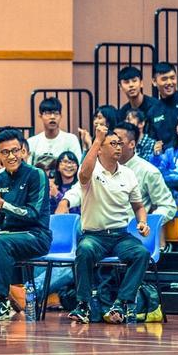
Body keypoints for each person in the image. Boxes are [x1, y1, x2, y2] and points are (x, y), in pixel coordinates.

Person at [67, 125, 150, 325]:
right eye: (113, 144)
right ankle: (83, 305)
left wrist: (142, 222)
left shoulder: (128, 174)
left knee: (142, 254)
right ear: (100, 149)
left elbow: (139, 206)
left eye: (120, 143)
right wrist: (97, 140)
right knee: (84, 250)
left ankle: (121, 303)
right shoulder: (91, 170)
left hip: (120, 235)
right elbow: (83, 175)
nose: (118, 147)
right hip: (94, 235)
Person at [0, 128, 52, 321]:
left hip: (36, 235)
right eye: (5, 152)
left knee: (2, 242)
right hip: (7, 235)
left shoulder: (36, 175)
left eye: (15, 150)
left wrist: (2, 204)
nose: (11, 156)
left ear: (23, 151)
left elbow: (33, 214)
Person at [114, 122, 177, 251]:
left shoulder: (148, 171)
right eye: (111, 142)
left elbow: (168, 206)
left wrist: (147, 223)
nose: (114, 146)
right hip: (104, 233)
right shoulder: (102, 168)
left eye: (118, 142)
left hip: (133, 234)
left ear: (132, 144)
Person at [27, 97, 82, 164]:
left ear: (61, 116)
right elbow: (27, 167)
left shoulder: (71, 139)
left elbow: (78, 164)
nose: (52, 117)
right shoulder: (32, 142)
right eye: (48, 113)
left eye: (56, 113)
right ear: (40, 116)